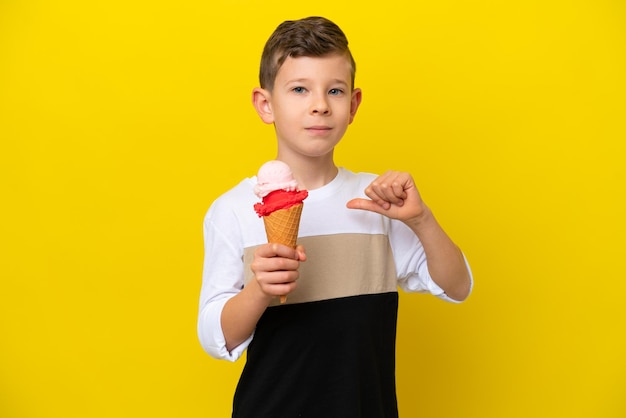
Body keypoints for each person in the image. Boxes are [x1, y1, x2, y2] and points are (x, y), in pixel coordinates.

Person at [197, 16, 473, 418]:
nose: (320, 104)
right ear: (265, 104)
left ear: (353, 104)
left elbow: (458, 285)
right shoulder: (232, 210)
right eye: (299, 89)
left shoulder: (376, 200)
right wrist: (260, 289)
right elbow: (213, 338)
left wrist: (421, 220)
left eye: (335, 90)